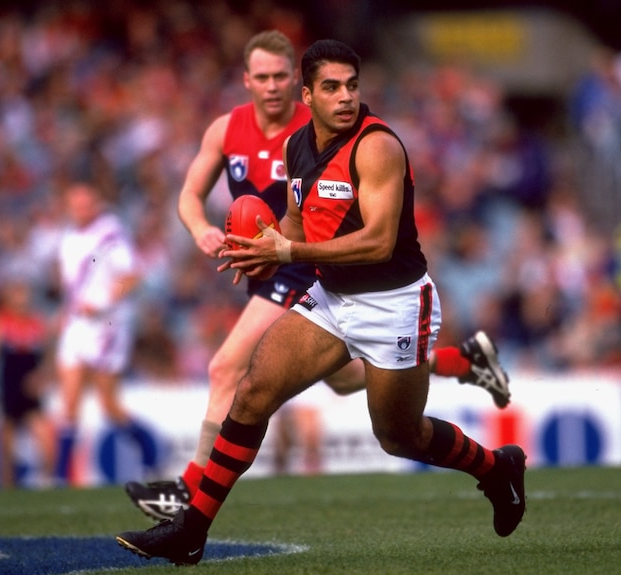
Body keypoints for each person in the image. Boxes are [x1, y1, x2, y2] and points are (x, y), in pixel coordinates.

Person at [116, 39, 526, 565]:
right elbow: (294, 220)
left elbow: (378, 241)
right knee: (251, 394)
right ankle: (191, 531)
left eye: (352, 85)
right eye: (331, 87)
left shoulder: (378, 146)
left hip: (393, 302)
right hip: (331, 298)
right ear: (307, 94)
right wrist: (265, 253)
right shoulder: (297, 148)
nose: (345, 97)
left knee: (399, 437)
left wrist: (289, 249)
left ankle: (496, 468)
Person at [53, 180, 156, 484]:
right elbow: (71, 283)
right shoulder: (69, 236)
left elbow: (133, 275)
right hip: (77, 323)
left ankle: (149, 451)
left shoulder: (110, 233)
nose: (81, 210)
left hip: (108, 324)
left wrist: (102, 302)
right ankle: (60, 476)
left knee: (107, 403)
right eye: (76, 204)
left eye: (86, 204)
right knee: (68, 399)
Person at [0, 278, 54, 488]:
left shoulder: (37, 322)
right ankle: (7, 487)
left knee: (45, 438)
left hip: (31, 389)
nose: (23, 301)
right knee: (7, 446)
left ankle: (47, 483)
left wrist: (42, 376)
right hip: (8, 387)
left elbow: (48, 356)